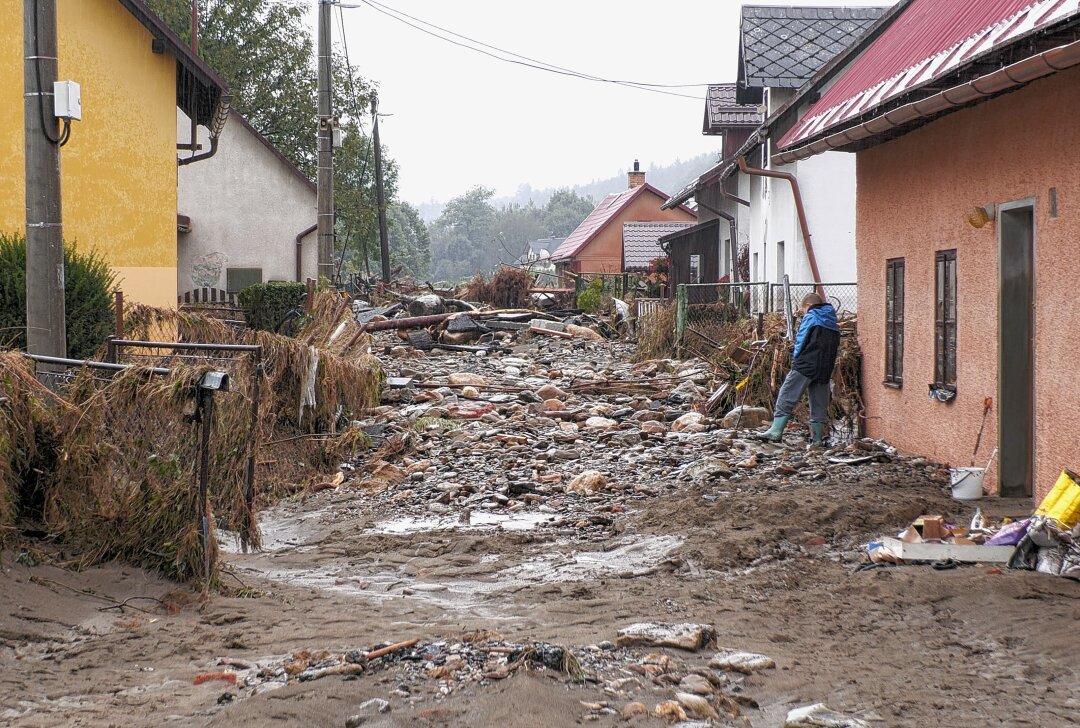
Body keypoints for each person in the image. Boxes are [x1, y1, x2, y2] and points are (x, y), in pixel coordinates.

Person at [755, 292, 840, 446]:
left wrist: (796, 358)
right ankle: (817, 440)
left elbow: (801, 339)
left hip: (806, 364)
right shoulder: (833, 321)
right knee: (819, 402)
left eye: (803, 310)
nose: (803, 314)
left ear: (808, 306)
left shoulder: (812, 316)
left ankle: (775, 431)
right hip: (825, 367)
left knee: (787, 394)